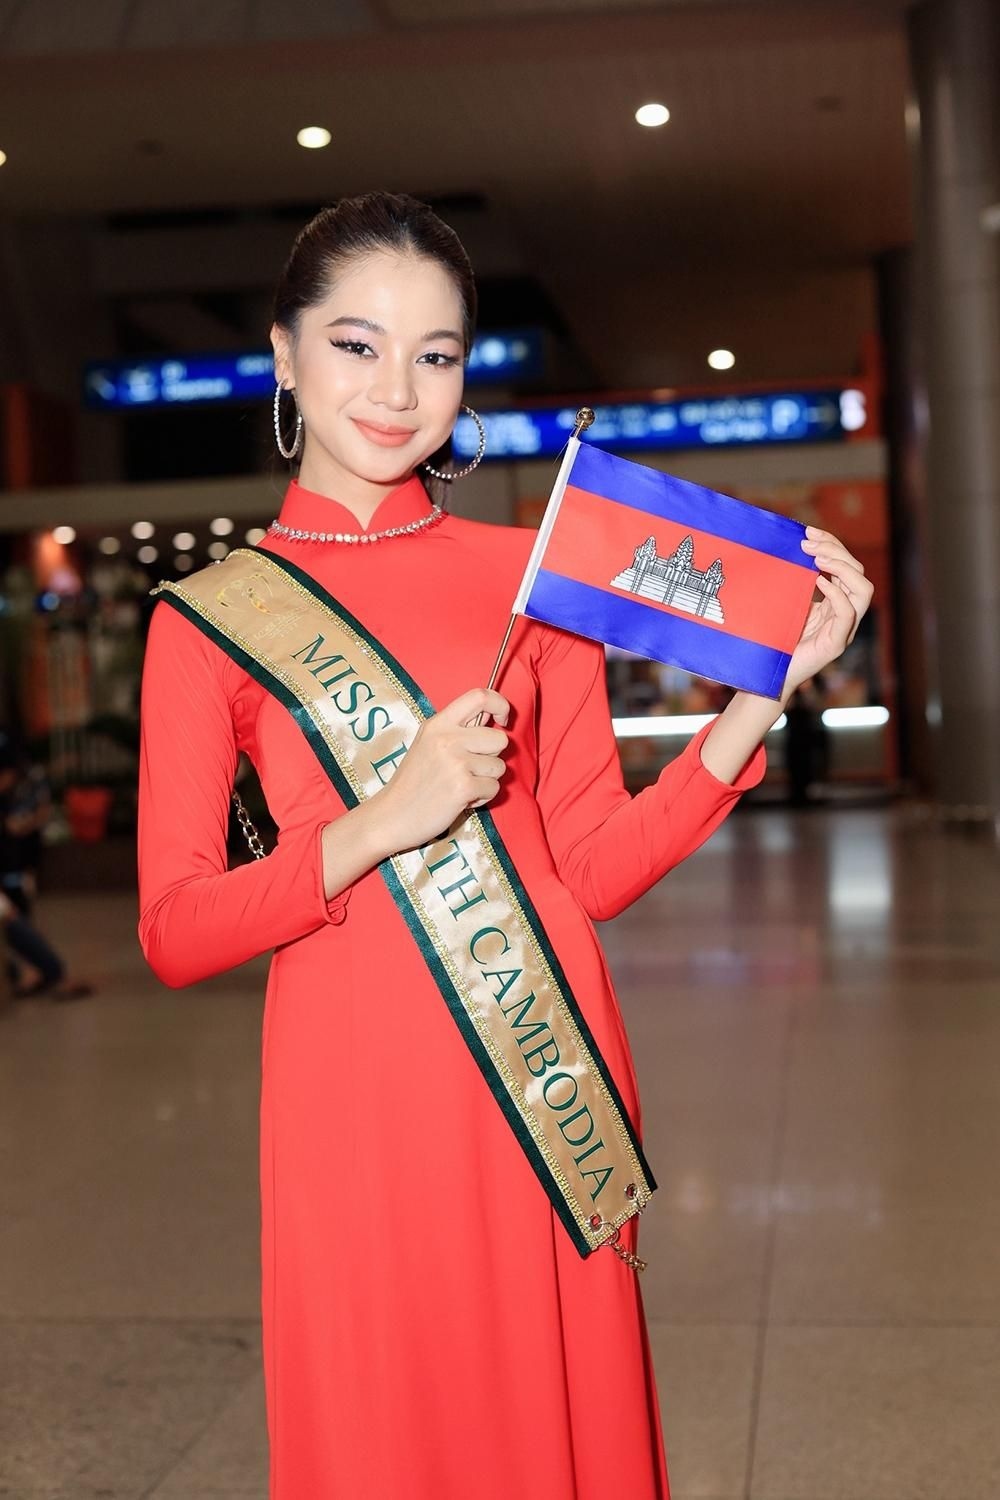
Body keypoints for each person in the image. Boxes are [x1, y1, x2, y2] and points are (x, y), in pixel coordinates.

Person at [136, 192, 873, 1500]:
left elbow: (587, 865)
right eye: (358, 345)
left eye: (438, 353)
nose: (399, 388)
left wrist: (760, 698)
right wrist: (380, 819)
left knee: (552, 1435)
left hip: (536, 1085)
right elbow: (176, 928)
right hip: (349, 1108)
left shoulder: (531, 580)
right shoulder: (205, 623)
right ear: (285, 356)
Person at [0, 732, 92, 1001]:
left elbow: (38, 808)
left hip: (15, 858)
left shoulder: (22, 774)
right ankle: (37, 973)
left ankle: (47, 972)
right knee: (11, 916)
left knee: (13, 915)